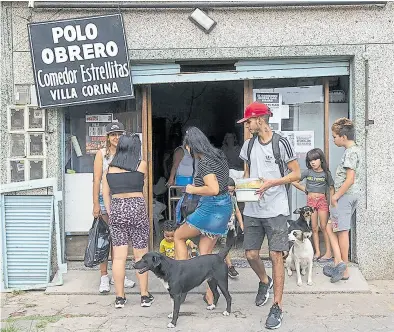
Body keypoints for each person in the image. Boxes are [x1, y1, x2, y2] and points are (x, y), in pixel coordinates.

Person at [237, 101, 301, 330]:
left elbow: (296, 173)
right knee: (251, 254)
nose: (247, 125)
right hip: (254, 208)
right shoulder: (248, 145)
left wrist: (274, 182)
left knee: (276, 255)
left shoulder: (281, 143)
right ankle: (265, 281)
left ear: (260, 120)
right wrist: (241, 188)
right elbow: (247, 173)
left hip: (276, 209)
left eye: (249, 121)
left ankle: (277, 306)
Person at [173, 126, 232, 306]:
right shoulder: (219, 155)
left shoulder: (205, 162)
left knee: (178, 236)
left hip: (210, 208)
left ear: (191, 146)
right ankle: (210, 296)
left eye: (187, 147)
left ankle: (180, 283)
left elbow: (212, 189)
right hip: (224, 207)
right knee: (205, 254)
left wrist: (192, 189)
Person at [102, 133, 154, 308]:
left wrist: (112, 213)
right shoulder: (142, 166)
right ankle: (144, 296)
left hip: (117, 208)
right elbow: (142, 186)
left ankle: (120, 298)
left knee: (118, 258)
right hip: (137, 207)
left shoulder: (109, 169)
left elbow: (105, 195)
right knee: (140, 254)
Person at [92, 122, 135, 294]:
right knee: (104, 239)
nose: (116, 137)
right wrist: (95, 203)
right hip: (104, 200)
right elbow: (96, 180)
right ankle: (104, 277)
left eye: (119, 134)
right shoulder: (102, 154)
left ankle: (120, 275)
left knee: (120, 240)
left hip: (122, 200)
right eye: (113, 134)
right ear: (108, 137)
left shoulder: (128, 154)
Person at [324, 118, 361, 283]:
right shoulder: (353, 150)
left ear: (343, 137)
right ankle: (338, 262)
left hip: (344, 196)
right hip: (349, 195)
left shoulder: (351, 152)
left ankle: (344, 269)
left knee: (342, 231)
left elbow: (350, 179)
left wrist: (336, 196)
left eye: (334, 136)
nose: (333, 140)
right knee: (330, 227)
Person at [293, 148, 335, 262]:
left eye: (315, 159)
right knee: (314, 228)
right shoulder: (307, 172)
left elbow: (331, 188)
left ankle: (328, 252)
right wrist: (305, 190)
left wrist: (332, 203)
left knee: (324, 227)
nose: (313, 162)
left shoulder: (326, 174)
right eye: (310, 160)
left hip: (322, 201)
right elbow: (294, 181)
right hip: (311, 202)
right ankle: (317, 252)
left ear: (321, 160)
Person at [225, 177, 244, 278]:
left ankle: (228, 266)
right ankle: (229, 266)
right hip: (220, 228)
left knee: (226, 247)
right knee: (225, 247)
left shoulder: (233, 199)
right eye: (228, 191)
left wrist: (241, 224)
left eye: (232, 192)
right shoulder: (220, 200)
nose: (230, 194)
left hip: (229, 227)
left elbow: (237, 211)